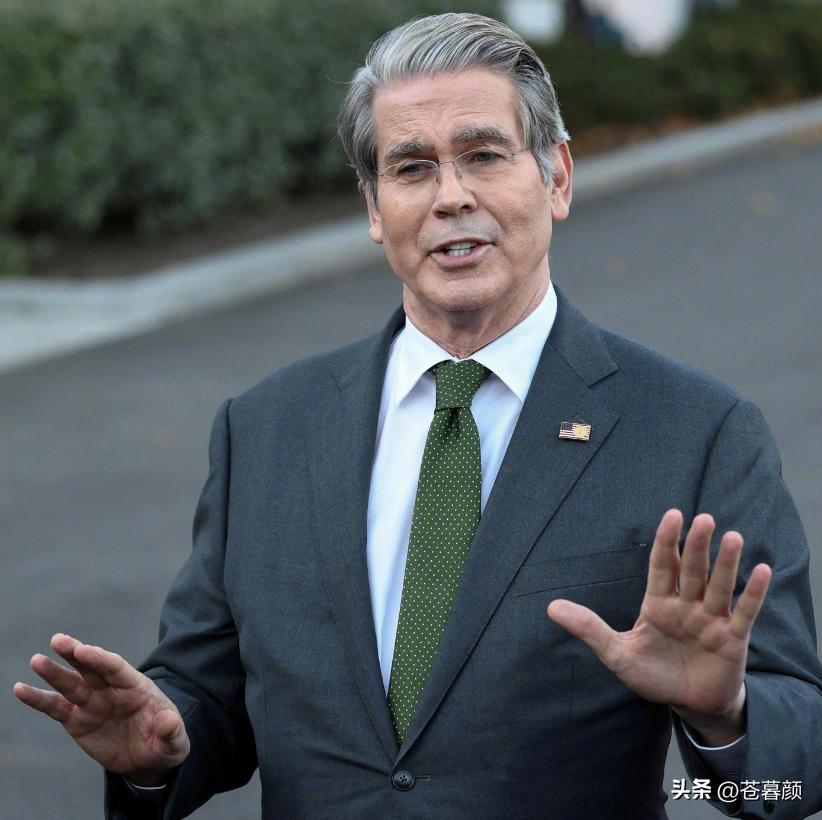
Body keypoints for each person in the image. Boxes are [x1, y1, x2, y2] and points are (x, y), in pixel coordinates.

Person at [13, 12, 822, 819]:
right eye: (412, 168)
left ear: (558, 178)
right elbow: (204, 697)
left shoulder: (692, 431)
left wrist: (727, 717)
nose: (451, 196)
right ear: (375, 207)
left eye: (483, 156)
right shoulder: (264, 430)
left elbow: (797, 769)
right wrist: (157, 751)